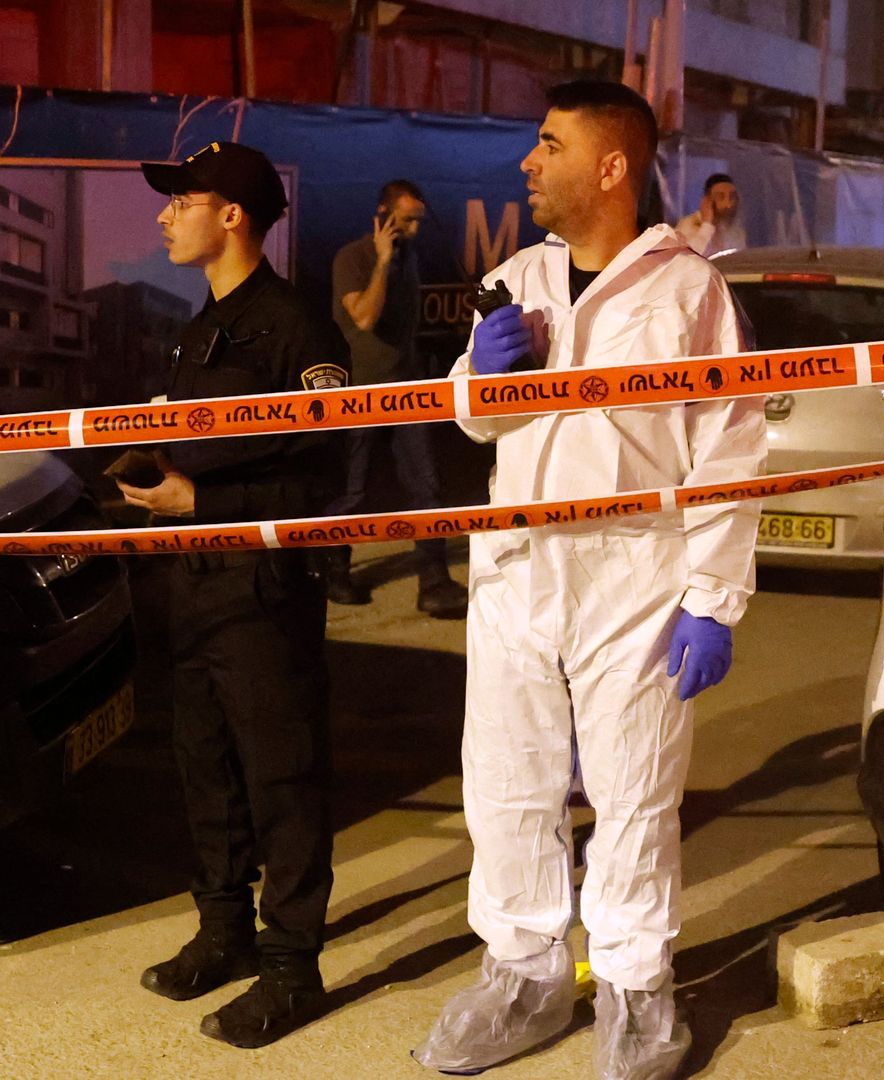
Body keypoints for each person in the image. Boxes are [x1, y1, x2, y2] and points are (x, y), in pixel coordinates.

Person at [413, 81, 764, 1079]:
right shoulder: (518, 275)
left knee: (633, 789)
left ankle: (634, 993)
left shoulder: (687, 290)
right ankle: (522, 975)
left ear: (611, 165)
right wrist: (477, 375)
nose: (529, 162)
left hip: (635, 574)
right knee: (507, 782)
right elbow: (472, 418)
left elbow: (729, 451)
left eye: (548, 144)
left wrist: (712, 598)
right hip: (519, 568)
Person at [121, 141, 341, 1048]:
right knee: (203, 763)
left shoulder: (299, 333)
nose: (166, 216)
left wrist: (205, 502)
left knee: (280, 775)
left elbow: (324, 479)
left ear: (233, 217)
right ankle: (224, 933)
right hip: (192, 585)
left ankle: (292, 967)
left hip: (261, 584)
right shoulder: (195, 325)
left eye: (183, 201)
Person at [323, 179, 466, 617]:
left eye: (419, 223)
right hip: (358, 394)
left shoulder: (411, 258)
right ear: (382, 217)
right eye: (406, 222)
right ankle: (333, 570)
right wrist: (383, 262)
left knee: (427, 488)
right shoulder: (354, 257)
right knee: (352, 490)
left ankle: (434, 581)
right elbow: (364, 318)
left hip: (405, 391)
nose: (415, 231)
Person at [673, 172, 746, 257]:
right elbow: (690, 258)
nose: (729, 204)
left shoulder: (736, 231)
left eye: (732, 197)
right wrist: (707, 225)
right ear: (708, 200)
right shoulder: (688, 224)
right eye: (721, 197)